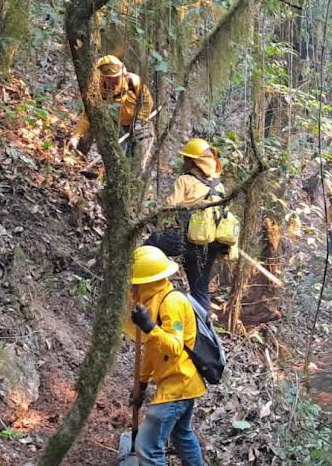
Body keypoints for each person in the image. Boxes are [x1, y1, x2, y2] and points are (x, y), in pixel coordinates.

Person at [125, 245, 205, 466]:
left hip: (178, 385)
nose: (132, 289)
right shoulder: (154, 302)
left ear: (147, 282)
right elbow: (152, 349)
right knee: (182, 435)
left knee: (147, 446)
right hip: (180, 384)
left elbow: (174, 347)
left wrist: (150, 327)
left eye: (135, 284)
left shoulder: (172, 302)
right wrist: (140, 383)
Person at [146, 138, 227, 312]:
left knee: (150, 245)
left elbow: (168, 208)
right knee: (200, 290)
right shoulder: (219, 186)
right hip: (208, 246)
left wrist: (153, 217)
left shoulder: (185, 180)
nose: (183, 162)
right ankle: (202, 333)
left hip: (185, 239)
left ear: (193, 162)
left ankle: (137, 289)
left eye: (186, 159)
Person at [66, 54, 154, 170]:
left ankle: (135, 183)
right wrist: (76, 137)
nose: (111, 81)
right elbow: (89, 115)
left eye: (115, 78)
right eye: (107, 78)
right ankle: (76, 163)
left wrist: (140, 120)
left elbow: (147, 102)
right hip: (117, 126)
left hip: (140, 125)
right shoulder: (97, 89)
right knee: (120, 160)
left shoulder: (133, 82)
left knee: (138, 160)